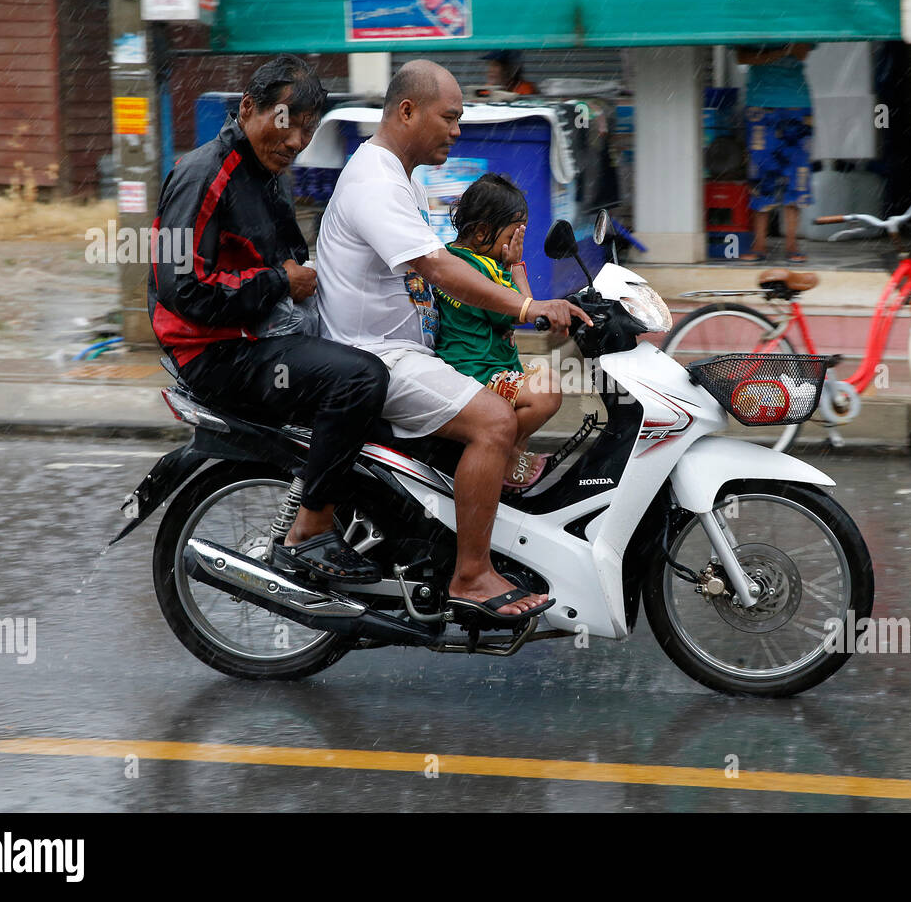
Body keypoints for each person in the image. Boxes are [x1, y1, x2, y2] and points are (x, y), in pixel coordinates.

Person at [314, 59, 590, 623]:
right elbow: (438, 267)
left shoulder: (401, 178)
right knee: (494, 421)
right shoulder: (375, 181)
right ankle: (471, 576)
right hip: (381, 359)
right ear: (407, 111)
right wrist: (529, 305)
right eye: (451, 117)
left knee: (523, 399)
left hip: (409, 353)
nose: (458, 131)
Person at [148, 54, 388, 583]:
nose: (297, 140)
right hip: (215, 351)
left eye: (307, 130)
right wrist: (281, 283)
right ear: (248, 107)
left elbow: (289, 258)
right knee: (360, 378)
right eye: (287, 122)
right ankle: (310, 533)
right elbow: (179, 286)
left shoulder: (269, 176)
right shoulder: (200, 175)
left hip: (258, 333)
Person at [434, 173, 563, 489]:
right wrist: (517, 267)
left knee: (541, 378)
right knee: (547, 393)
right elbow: (523, 312)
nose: (517, 244)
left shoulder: (456, 259)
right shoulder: (482, 270)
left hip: (472, 366)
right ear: (481, 233)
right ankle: (507, 452)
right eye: (513, 235)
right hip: (476, 373)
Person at [735, 42, 814, 264]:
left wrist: (766, 54)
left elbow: (803, 52)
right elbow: (742, 56)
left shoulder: (800, 18)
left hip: (797, 105)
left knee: (797, 176)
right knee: (760, 175)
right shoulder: (749, 21)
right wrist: (784, 51)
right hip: (760, 104)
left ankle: (792, 245)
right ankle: (760, 245)